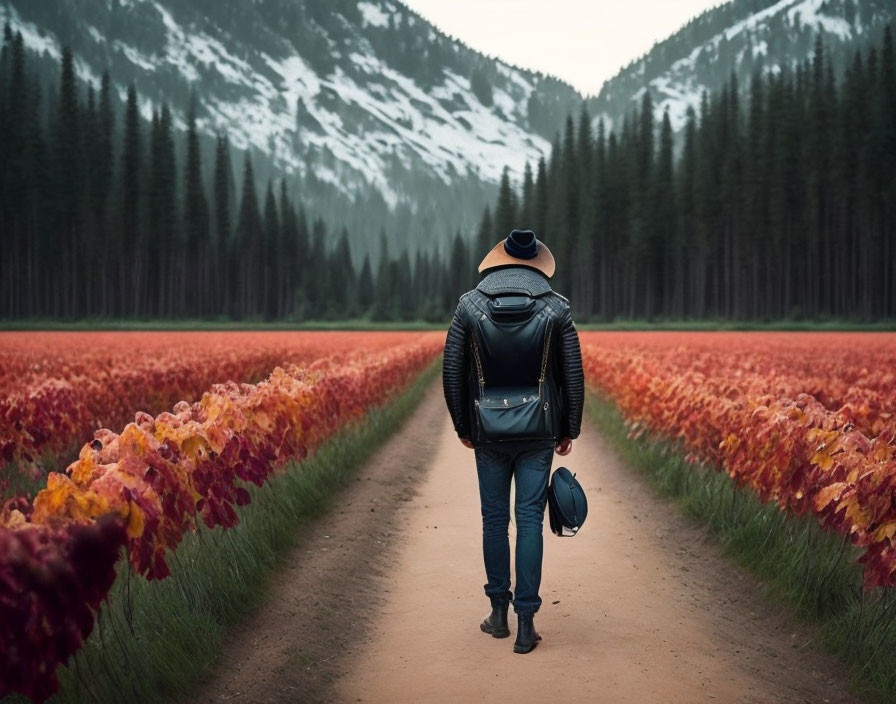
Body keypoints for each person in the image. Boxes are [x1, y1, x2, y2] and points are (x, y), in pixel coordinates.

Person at [442, 228, 584, 654]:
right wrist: (569, 429)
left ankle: (497, 615)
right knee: (528, 522)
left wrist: (463, 426)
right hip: (538, 431)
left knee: (493, 521)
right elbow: (572, 374)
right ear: (537, 263)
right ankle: (526, 623)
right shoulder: (556, 309)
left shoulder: (469, 306)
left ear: (500, 260)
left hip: (488, 431)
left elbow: (452, 372)